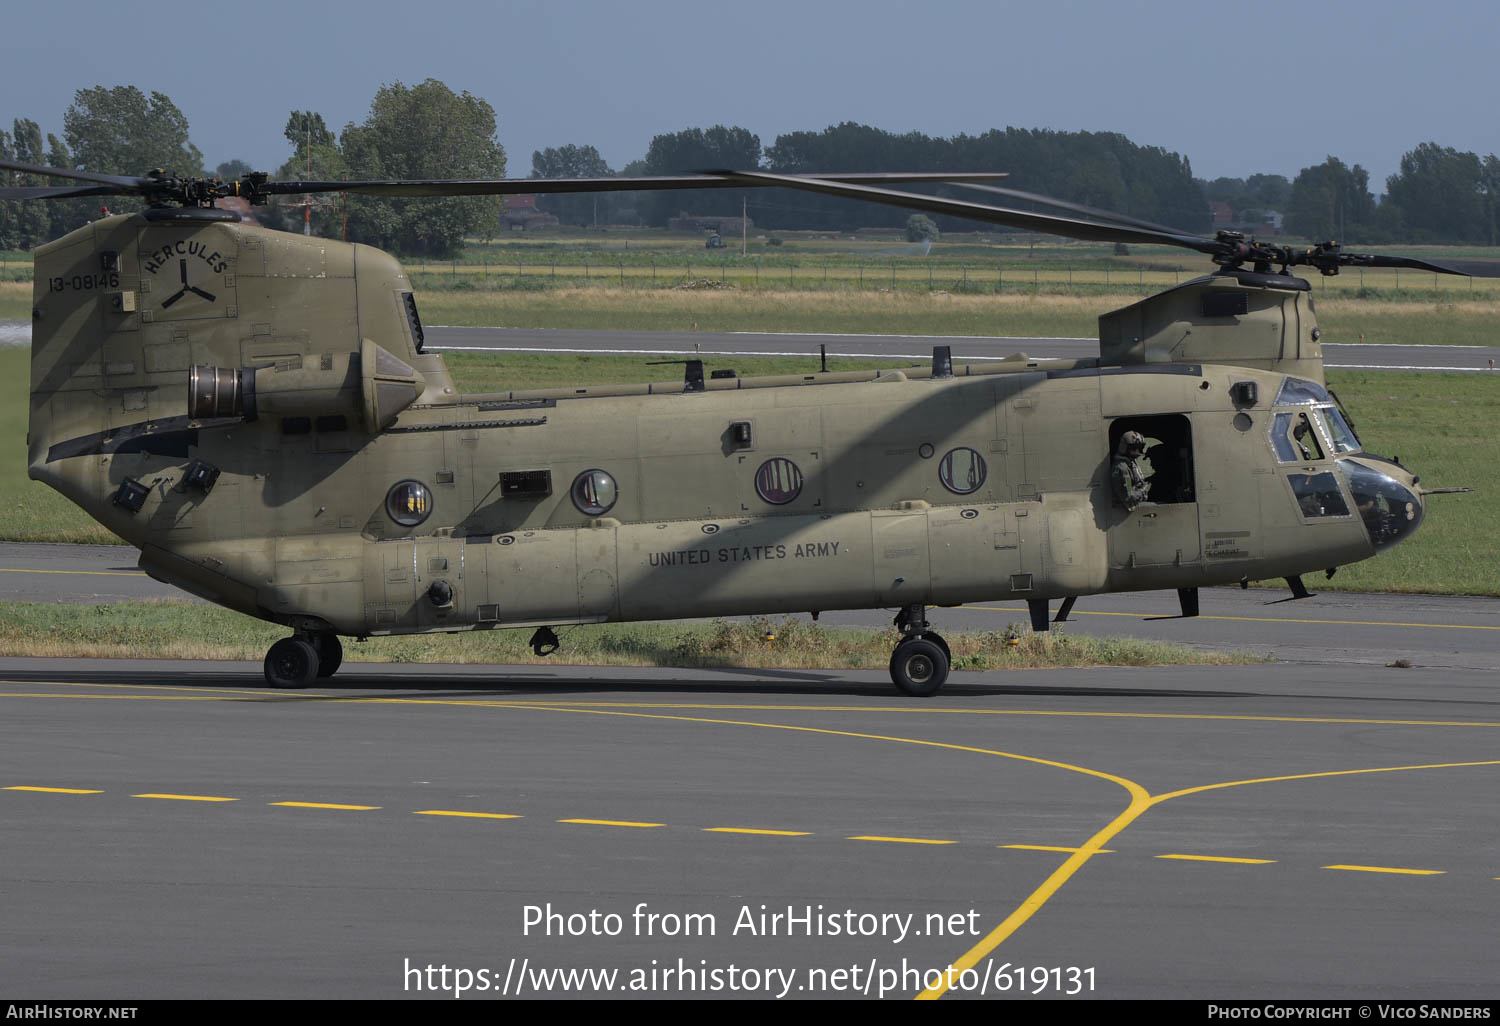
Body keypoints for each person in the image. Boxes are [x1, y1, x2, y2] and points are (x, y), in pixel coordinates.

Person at [1111, 431, 1151, 510]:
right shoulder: (1122, 468)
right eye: (1133, 448)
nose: (1137, 451)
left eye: (1139, 448)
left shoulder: (1130, 462)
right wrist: (1143, 491)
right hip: (1127, 507)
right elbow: (1129, 496)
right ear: (1124, 448)